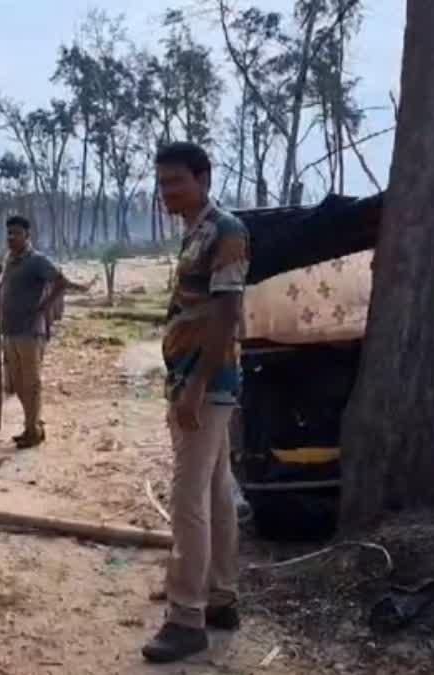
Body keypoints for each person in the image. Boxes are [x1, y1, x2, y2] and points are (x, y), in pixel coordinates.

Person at [141, 141, 249, 663]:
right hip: (194, 378)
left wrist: (198, 384)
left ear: (203, 178)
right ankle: (221, 597)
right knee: (214, 488)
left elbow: (227, 313)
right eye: (162, 183)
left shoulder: (225, 231)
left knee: (188, 499)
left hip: (205, 382)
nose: (167, 192)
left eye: (176, 182)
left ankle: (187, 618)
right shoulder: (196, 231)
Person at [0, 215, 91, 449]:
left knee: (30, 384)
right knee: (16, 384)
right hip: (10, 331)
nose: (11, 237)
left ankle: (32, 431)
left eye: (16, 233)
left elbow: (61, 281)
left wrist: (44, 307)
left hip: (30, 332)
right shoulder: (10, 259)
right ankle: (33, 424)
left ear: (28, 235)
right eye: (9, 233)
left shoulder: (37, 261)